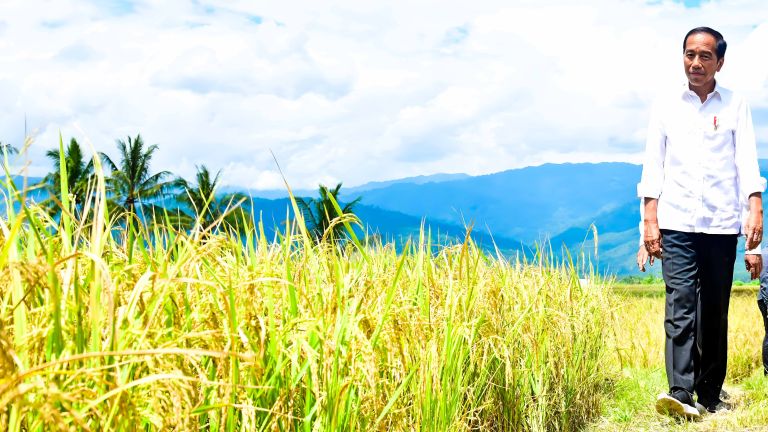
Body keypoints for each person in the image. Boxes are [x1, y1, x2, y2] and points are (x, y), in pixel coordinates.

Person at [638, 26, 764, 419]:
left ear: (719, 63)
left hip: (722, 224)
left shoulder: (735, 105)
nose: (695, 62)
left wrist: (755, 208)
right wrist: (649, 219)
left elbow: (746, 160)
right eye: (690, 54)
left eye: (705, 56)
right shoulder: (665, 105)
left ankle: (709, 392)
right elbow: (653, 164)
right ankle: (680, 391)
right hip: (676, 222)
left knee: (714, 308)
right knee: (679, 304)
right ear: (683, 58)